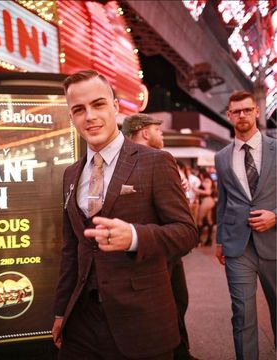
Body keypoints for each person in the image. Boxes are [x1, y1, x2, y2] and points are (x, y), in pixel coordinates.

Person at [52, 70, 198, 360]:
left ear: (115, 107)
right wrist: (61, 311)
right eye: (79, 110)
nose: (90, 116)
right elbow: (72, 250)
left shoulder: (156, 162)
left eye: (98, 104)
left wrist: (134, 236)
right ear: (71, 117)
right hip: (81, 321)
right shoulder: (70, 174)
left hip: (141, 321)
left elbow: (187, 232)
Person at [122, 113, 199, 360]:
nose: (161, 134)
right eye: (158, 130)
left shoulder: (152, 160)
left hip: (166, 246)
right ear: (145, 132)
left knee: (179, 301)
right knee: (166, 306)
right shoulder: (137, 160)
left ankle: (181, 351)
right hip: (153, 249)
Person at [215, 90, 276, 360]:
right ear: (229, 116)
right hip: (237, 247)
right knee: (242, 313)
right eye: (236, 111)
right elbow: (223, 200)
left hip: (274, 242)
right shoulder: (222, 157)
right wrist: (219, 240)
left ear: (256, 111)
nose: (242, 115)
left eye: (246, 110)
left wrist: (275, 215)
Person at [193, 170, 216, 246]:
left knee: (199, 219)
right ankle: (209, 240)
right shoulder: (208, 180)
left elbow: (208, 192)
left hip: (207, 200)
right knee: (209, 220)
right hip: (209, 200)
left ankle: (198, 240)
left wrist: (197, 190)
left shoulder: (207, 180)